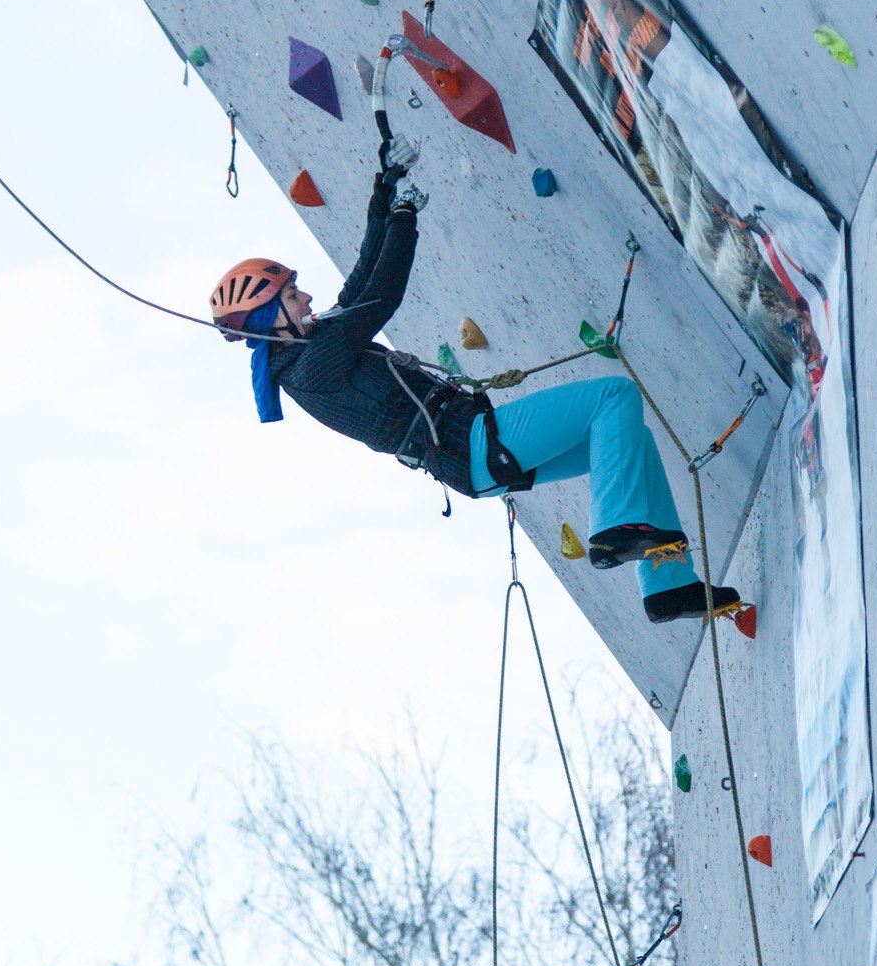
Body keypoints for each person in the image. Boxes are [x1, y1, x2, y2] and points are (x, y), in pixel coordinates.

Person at [209, 139, 741, 625]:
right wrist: (404, 217)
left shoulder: (312, 354)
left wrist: (385, 195)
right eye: (291, 295)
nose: (304, 298)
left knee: (632, 441)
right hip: (475, 442)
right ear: (267, 321)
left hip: (474, 457)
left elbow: (358, 286)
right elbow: (381, 296)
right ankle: (613, 531)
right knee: (614, 397)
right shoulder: (312, 368)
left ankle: (668, 587)